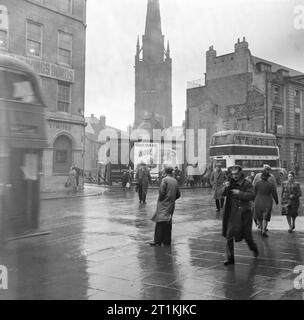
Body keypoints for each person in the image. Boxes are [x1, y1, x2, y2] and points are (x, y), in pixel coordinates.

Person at [222, 165, 259, 265]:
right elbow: (223, 194)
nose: (235, 176)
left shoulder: (247, 183)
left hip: (244, 213)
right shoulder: (230, 183)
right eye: (233, 174)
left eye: (237, 174)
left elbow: (252, 195)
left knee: (247, 236)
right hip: (232, 213)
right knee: (229, 235)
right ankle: (230, 258)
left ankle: (254, 248)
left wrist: (239, 193)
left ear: (240, 173)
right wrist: (226, 187)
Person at [150, 166, 181, 246]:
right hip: (171, 205)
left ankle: (157, 241)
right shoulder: (175, 181)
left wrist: (161, 199)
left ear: (165, 172)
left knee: (160, 222)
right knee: (168, 222)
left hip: (163, 204)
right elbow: (178, 194)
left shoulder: (165, 180)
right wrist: (172, 199)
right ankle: (167, 241)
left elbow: (161, 192)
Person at [254, 171, 279, 237]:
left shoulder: (257, 183)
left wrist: (253, 200)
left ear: (261, 177)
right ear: (267, 177)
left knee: (259, 216)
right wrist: (276, 201)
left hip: (258, 200)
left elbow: (254, 192)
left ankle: (261, 228)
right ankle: (264, 230)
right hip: (267, 200)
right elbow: (274, 194)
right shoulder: (271, 184)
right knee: (266, 216)